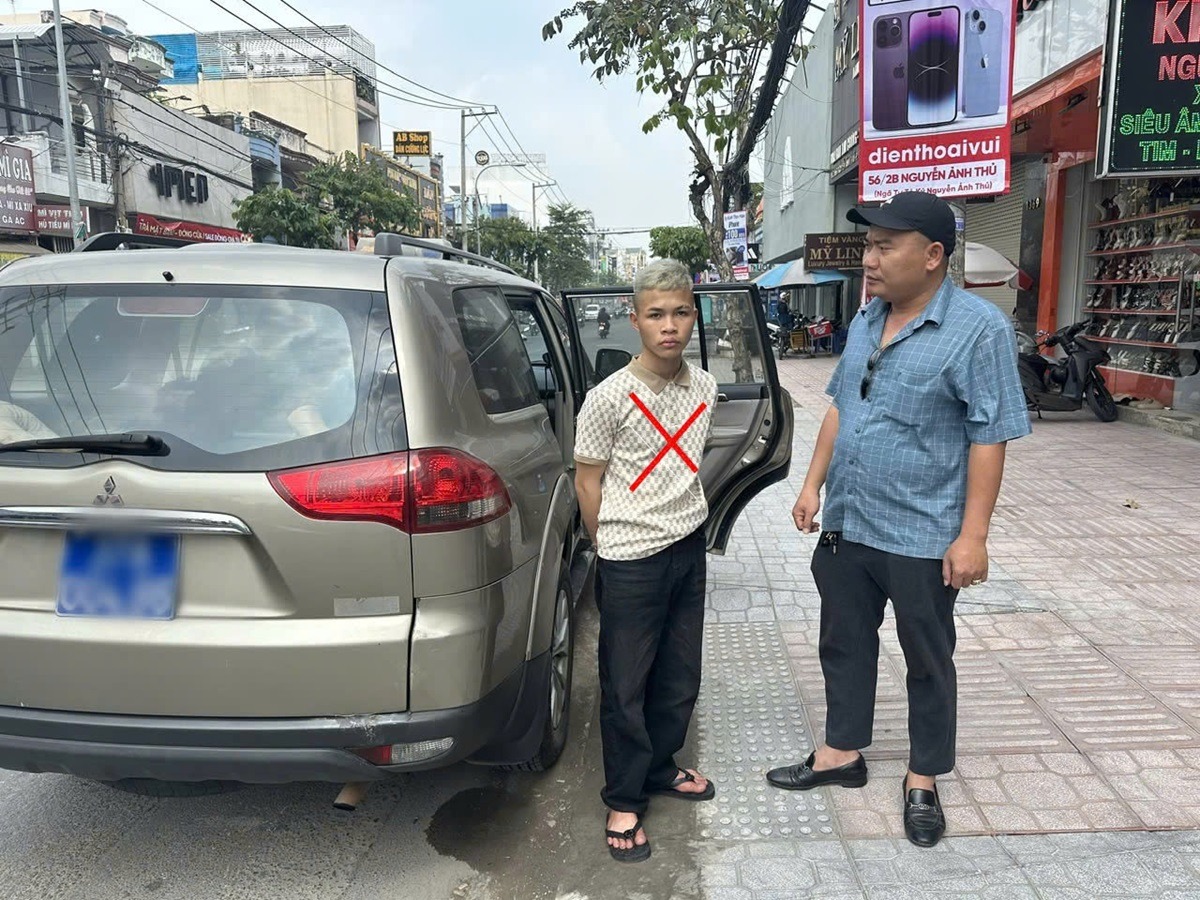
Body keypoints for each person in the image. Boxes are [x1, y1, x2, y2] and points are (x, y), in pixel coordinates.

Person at [764, 191, 1031, 848]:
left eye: (885, 246)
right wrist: (812, 484)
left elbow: (989, 435)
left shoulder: (978, 329)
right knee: (843, 641)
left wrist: (973, 537)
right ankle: (840, 753)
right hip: (849, 522)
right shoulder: (865, 318)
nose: (870, 258)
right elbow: (841, 406)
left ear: (933, 255)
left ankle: (923, 777)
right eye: (869, 244)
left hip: (922, 533)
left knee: (928, 657)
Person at [573, 258, 720, 863]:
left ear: (694, 315)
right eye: (656, 314)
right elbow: (587, 482)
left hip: (688, 546)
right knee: (626, 684)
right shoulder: (607, 398)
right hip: (630, 558)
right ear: (634, 320)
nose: (670, 326)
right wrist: (608, 544)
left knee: (679, 675)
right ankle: (624, 798)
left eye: (680, 312)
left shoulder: (704, 387)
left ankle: (660, 767)